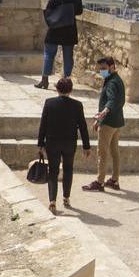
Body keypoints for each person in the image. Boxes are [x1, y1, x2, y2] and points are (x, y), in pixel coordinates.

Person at [37, 77, 91, 214]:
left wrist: (40, 143)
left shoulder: (49, 103)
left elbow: (43, 124)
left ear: (57, 89)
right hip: (69, 143)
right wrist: (86, 146)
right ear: (71, 90)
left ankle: (52, 201)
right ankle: (66, 198)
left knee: (53, 171)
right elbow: (83, 127)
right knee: (68, 170)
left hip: (52, 143)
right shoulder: (77, 105)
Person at [36, 0, 84, 89]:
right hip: (69, 29)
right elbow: (79, 11)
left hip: (56, 28)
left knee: (49, 54)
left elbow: (49, 10)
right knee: (68, 56)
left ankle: (44, 80)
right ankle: (66, 80)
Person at [83, 57, 125, 192]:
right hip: (117, 121)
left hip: (108, 123)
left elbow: (112, 100)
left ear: (112, 67)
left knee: (102, 152)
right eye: (100, 68)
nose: (102, 71)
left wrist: (102, 115)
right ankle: (114, 180)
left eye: (104, 68)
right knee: (114, 152)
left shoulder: (112, 83)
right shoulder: (117, 79)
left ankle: (100, 182)